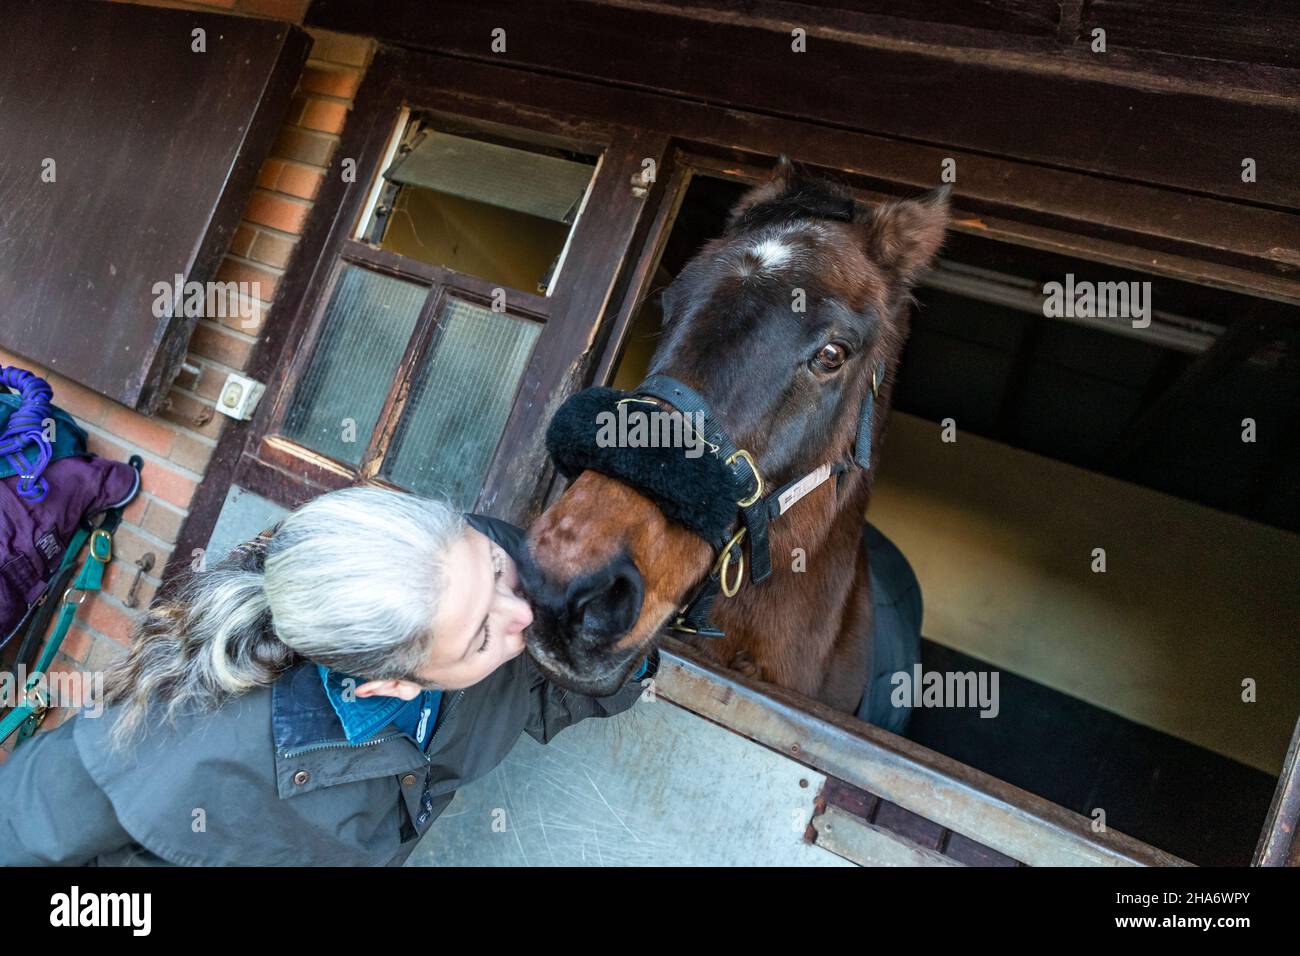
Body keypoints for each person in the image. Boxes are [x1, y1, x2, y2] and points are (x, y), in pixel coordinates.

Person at [0, 485, 655, 866]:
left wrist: (628, 653)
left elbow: (539, 691)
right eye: (483, 633)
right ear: (390, 685)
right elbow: (19, 836)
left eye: (495, 570)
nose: (524, 615)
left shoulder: (466, 568)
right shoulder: (169, 754)